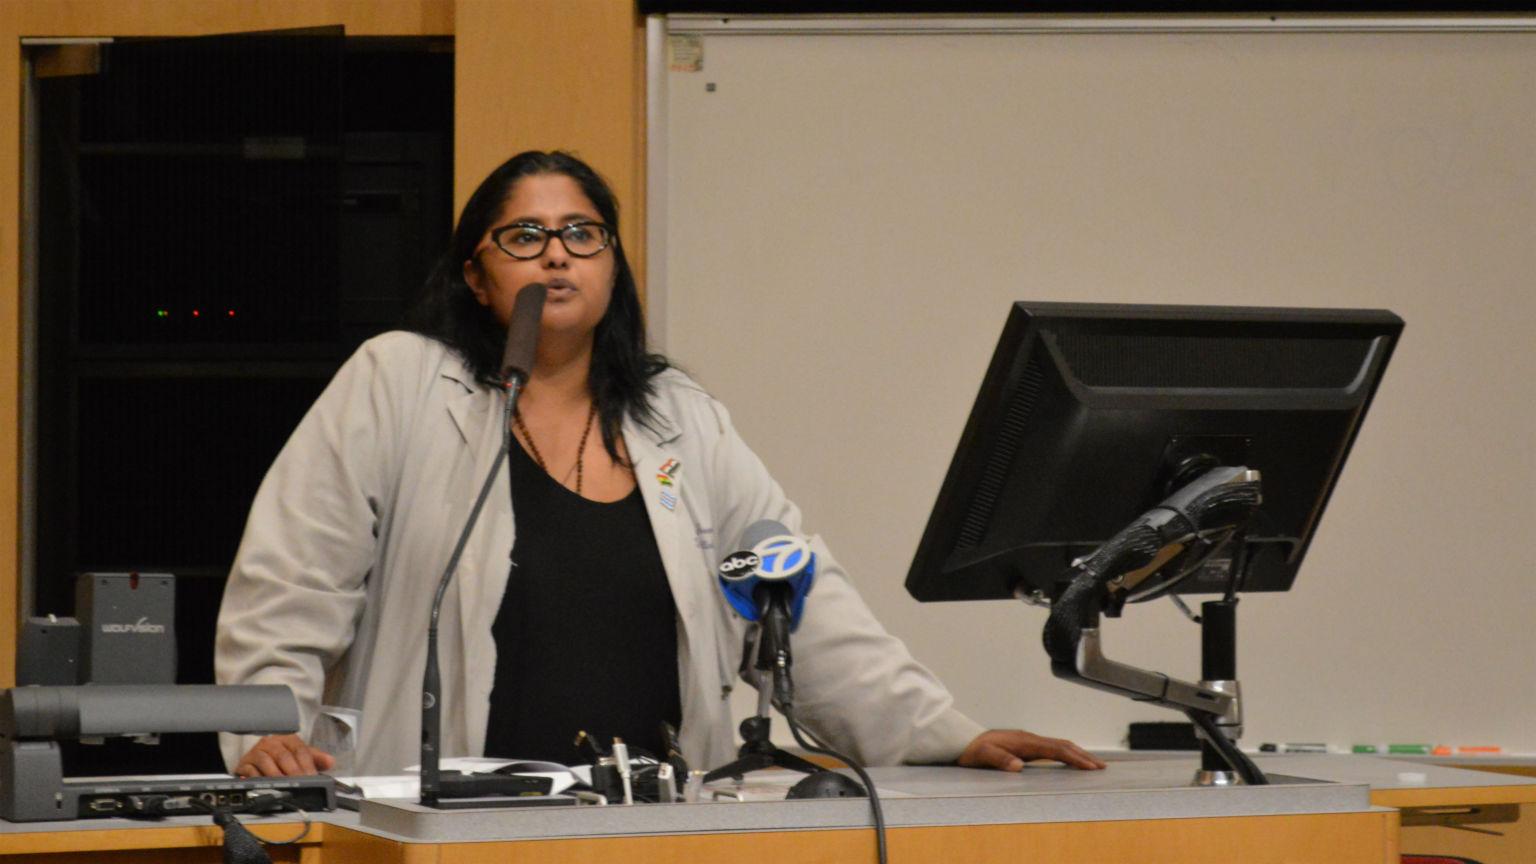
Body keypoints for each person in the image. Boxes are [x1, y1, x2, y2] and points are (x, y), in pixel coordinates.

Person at [216, 150, 1106, 779]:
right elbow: (292, 584)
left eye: (582, 232)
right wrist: (265, 736)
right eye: (522, 235)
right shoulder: (401, 382)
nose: (557, 251)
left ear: (612, 269)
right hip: (451, 822)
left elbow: (796, 598)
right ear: (475, 277)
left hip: (651, 823)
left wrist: (945, 734)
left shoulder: (681, 417)